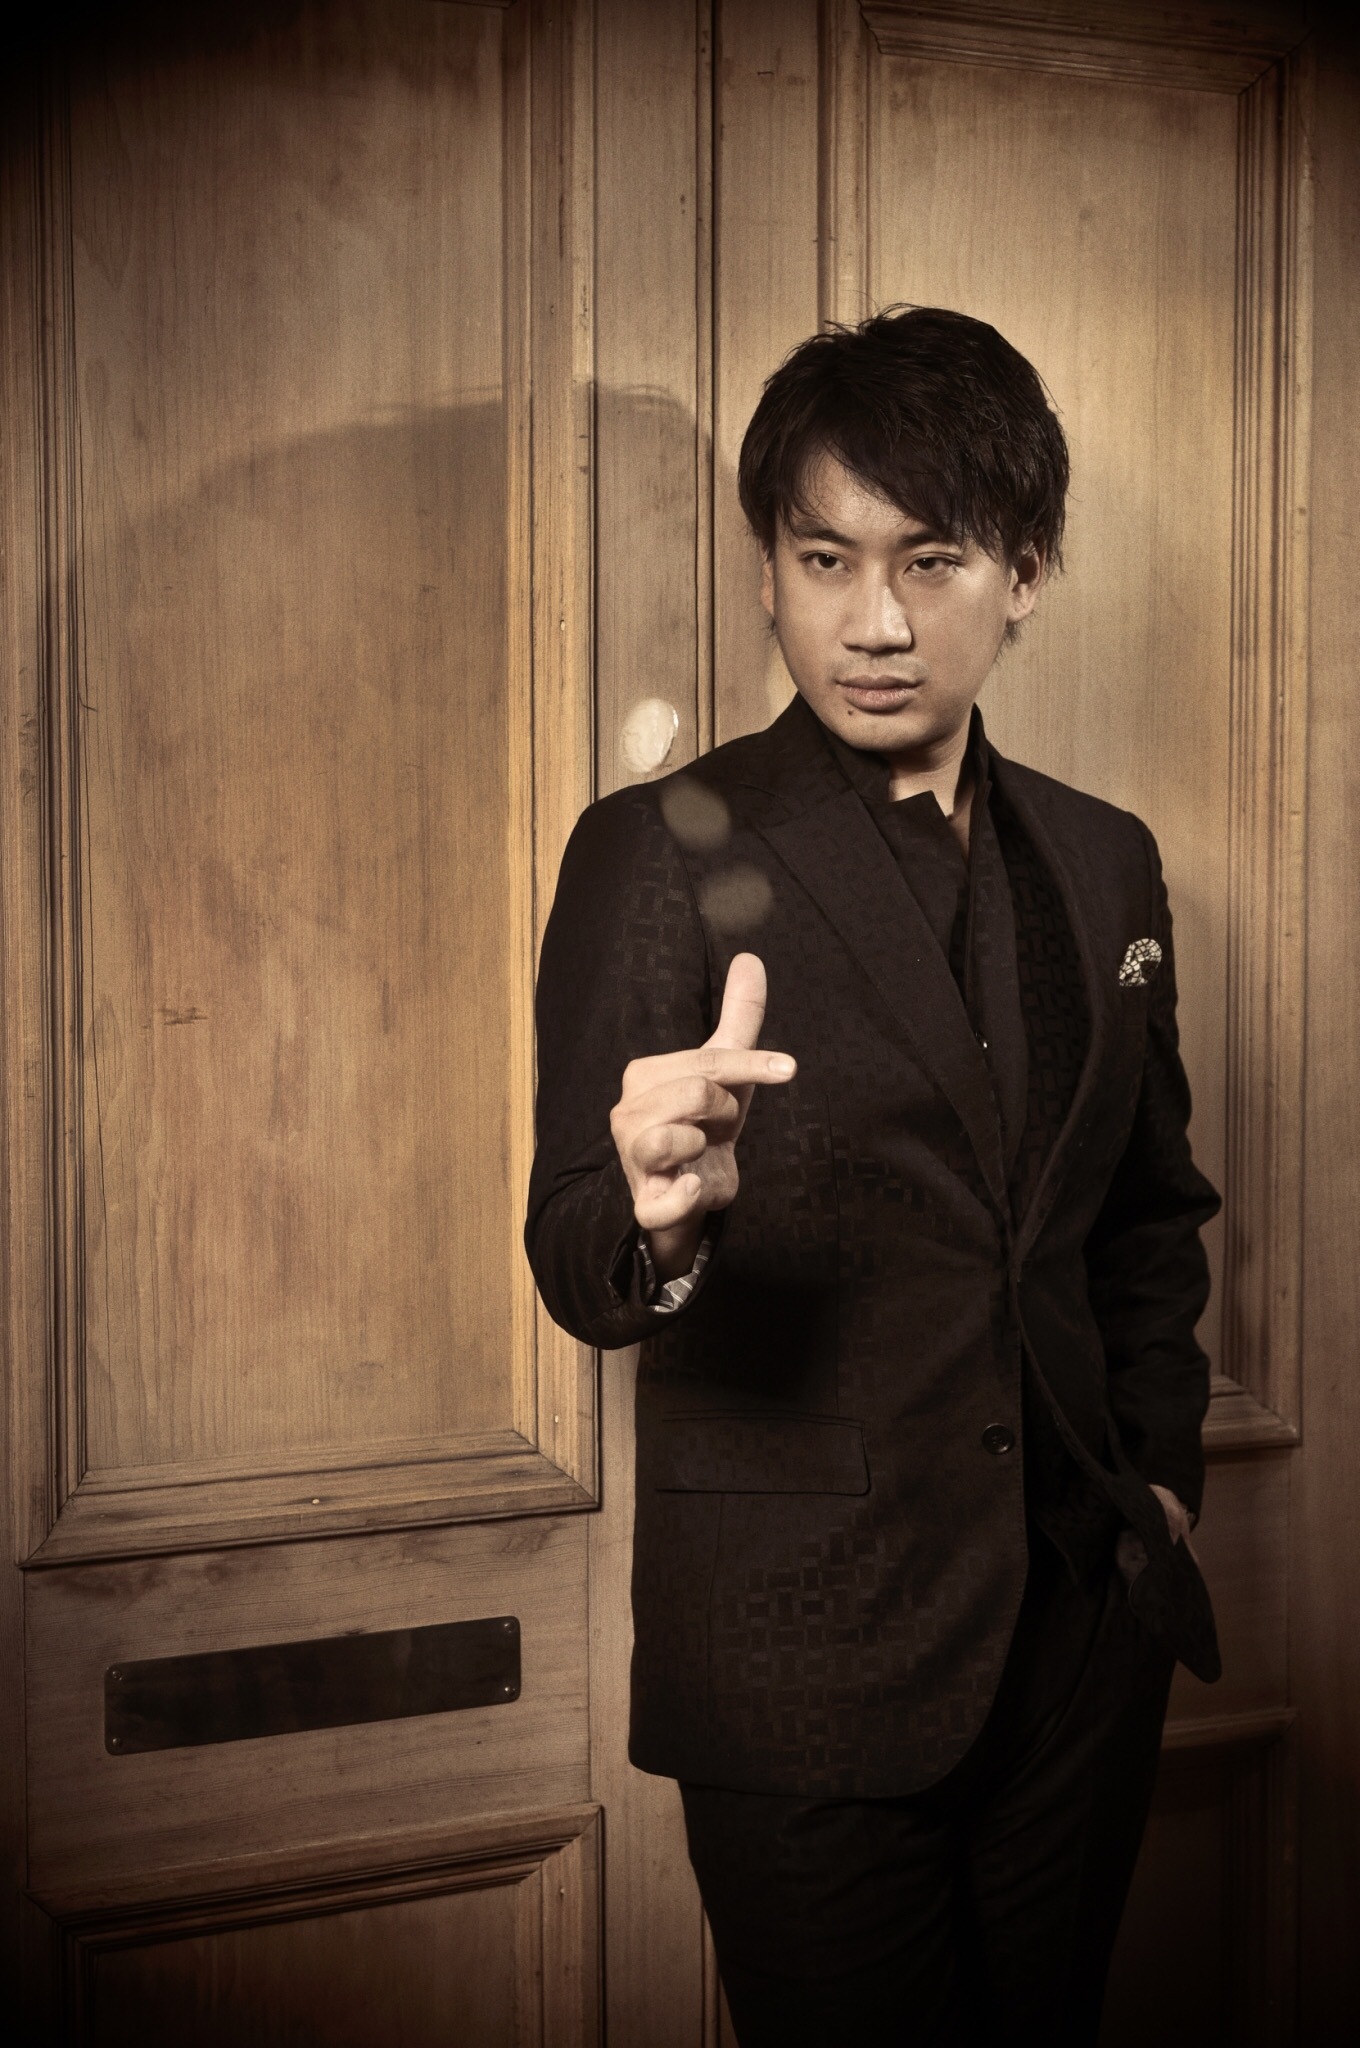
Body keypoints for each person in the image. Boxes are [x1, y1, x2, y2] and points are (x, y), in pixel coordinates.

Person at [525, 306, 1221, 2046]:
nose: (878, 621)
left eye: (933, 559)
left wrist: (1158, 1479)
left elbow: (1148, 1214)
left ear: (1025, 572)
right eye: (825, 559)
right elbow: (575, 1243)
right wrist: (657, 1221)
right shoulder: (658, 849)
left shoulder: (1107, 861)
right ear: (769, 573)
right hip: (803, 1665)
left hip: (1080, 1638)